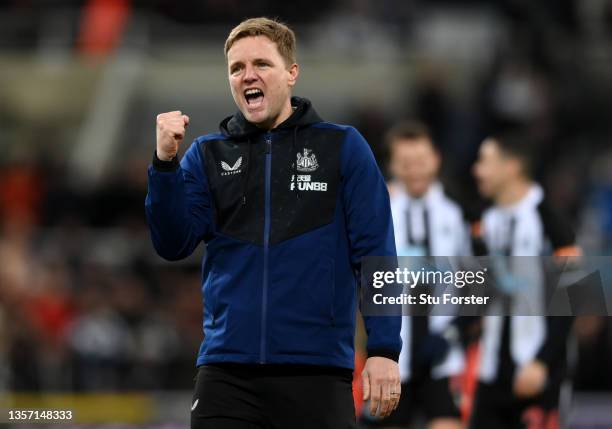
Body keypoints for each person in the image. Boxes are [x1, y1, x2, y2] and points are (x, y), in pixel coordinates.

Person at [144, 17, 401, 429]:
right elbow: (172, 243)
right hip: (226, 374)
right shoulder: (205, 155)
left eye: (261, 64)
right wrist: (164, 164)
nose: (248, 75)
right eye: (236, 68)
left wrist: (384, 349)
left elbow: (377, 255)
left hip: (316, 373)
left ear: (291, 73)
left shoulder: (342, 147)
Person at [469, 133, 580, 429]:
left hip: (539, 375)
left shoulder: (553, 222)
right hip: (491, 373)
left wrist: (542, 362)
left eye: (485, 162)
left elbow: (577, 298)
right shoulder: (482, 222)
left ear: (512, 166)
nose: (476, 170)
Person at [362, 121, 468, 429]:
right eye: (406, 164)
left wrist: (451, 333)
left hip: (443, 358)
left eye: (421, 161)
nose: (415, 171)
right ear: (393, 165)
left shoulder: (458, 213)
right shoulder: (378, 213)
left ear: (436, 159)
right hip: (393, 357)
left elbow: (475, 283)